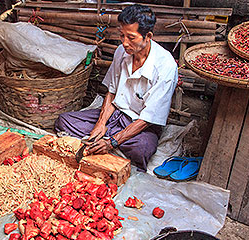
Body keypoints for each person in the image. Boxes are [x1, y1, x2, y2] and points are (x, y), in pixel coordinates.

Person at [55, 4, 178, 172]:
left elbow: (148, 119)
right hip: (115, 115)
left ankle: (110, 144)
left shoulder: (165, 66)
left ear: (147, 36)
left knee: (141, 149)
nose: (124, 43)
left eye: (131, 37)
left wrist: (112, 141)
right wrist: (100, 123)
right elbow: (112, 92)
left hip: (139, 124)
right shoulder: (121, 52)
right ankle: (105, 139)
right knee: (64, 121)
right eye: (121, 36)